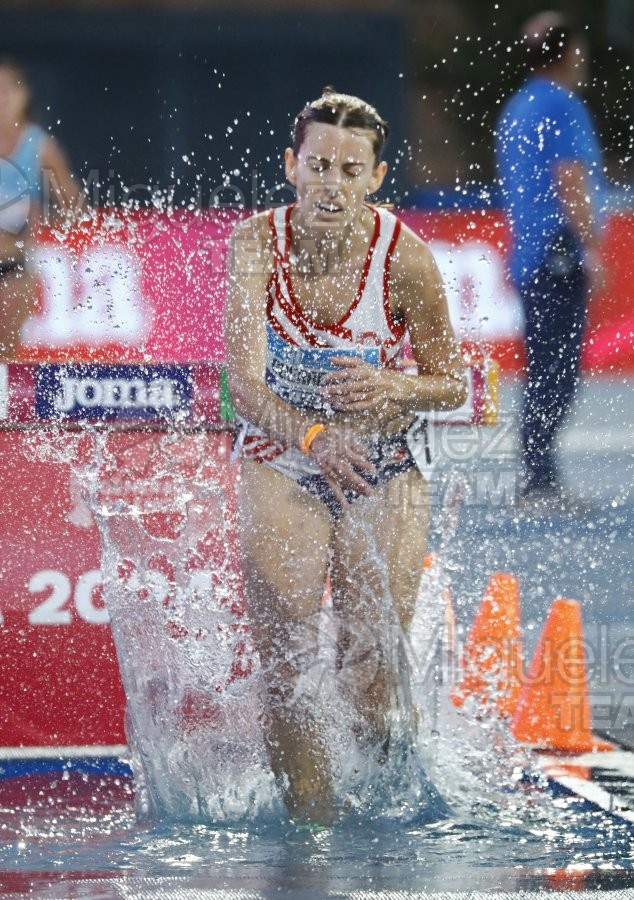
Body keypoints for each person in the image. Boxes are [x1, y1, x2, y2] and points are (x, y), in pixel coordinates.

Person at [225, 88, 467, 824]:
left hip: (383, 460)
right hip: (285, 451)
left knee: (372, 673)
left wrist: (393, 382)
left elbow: (453, 382)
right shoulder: (254, 245)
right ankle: (312, 828)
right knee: (289, 665)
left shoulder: (407, 259)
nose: (332, 185)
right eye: (319, 166)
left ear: (377, 177)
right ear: (291, 167)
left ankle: (393, 815)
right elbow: (242, 383)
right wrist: (313, 438)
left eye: (349, 170)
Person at [494, 14, 604, 511]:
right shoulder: (563, 104)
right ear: (566, 53)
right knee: (559, 370)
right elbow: (569, 178)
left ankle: (538, 471)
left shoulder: (517, 107)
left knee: (544, 365)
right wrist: (589, 245)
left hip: (530, 252)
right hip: (559, 251)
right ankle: (538, 477)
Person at [0, 57, 82, 360]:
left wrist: (37, 216)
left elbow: (74, 205)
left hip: (16, 265)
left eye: (7, 90)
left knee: (6, 357)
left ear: (23, 97)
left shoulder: (38, 145)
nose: (1, 98)